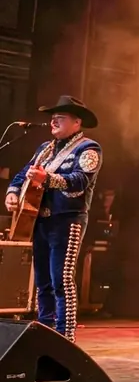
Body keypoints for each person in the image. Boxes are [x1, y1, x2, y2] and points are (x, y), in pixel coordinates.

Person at [5, 96, 102, 343]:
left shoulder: (89, 148)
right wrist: (13, 192)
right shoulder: (45, 149)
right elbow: (21, 175)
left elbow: (80, 181)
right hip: (42, 221)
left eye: (60, 117)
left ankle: (65, 339)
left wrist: (46, 178)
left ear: (77, 122)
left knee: (62, 279)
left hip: (68, 220)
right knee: (42, 281)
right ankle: (45, 335)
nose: (53, 121)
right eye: (53, 117)